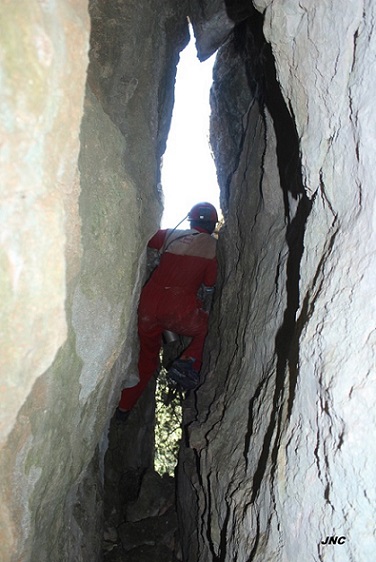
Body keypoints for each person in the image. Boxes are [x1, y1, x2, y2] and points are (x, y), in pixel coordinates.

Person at [117, 202, 218, 418]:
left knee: (147, 359)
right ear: (211, 225)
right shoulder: (211, 246)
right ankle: (187, 361)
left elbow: (147, 238)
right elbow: (210, 284)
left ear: (190, 220)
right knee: (205, 329)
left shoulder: (172, 235)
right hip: (179, 309)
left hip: (148, 305)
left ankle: (124, 408)